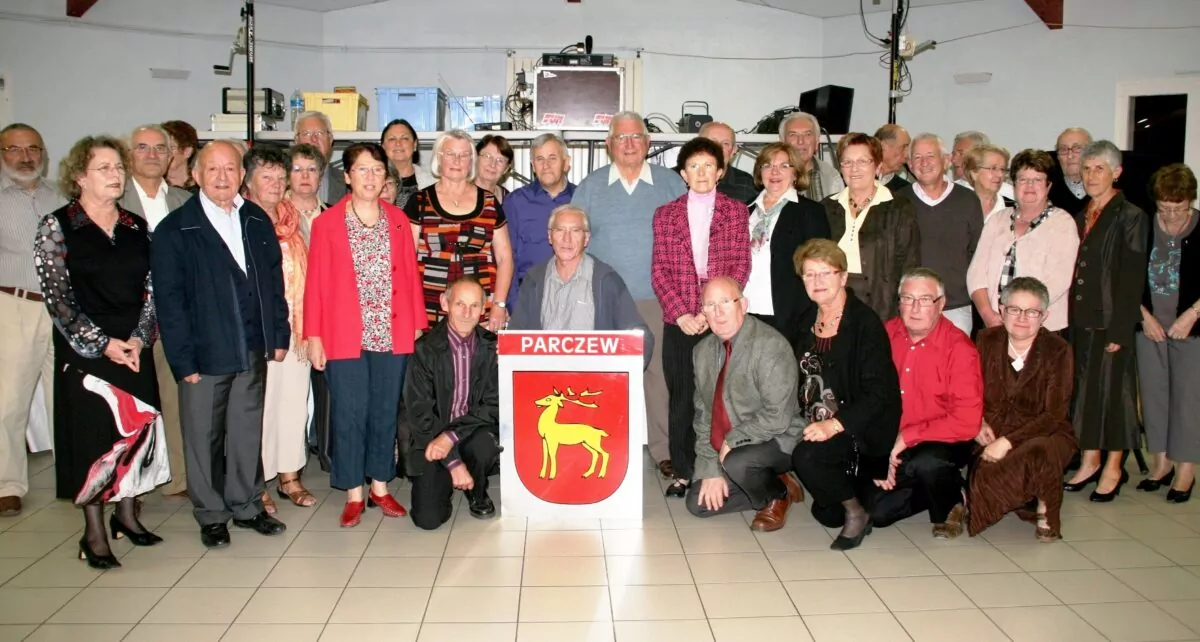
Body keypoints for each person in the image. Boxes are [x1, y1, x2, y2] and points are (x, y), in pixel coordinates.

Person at [34, 135, 167, 568]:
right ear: (79, 177)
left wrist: (139, 337)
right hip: (86, 351)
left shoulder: (135, 227)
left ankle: (127, 515)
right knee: (93, 439)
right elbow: (58, 300)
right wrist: (103, 344)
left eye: (118, 168)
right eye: (104, 168)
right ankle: (93, 532)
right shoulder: (57, 227)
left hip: (133, 344)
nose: (115, 175)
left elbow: (153, 290)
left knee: (135, 432)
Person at [152, 140, 290, 549]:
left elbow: (274, 284)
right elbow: (169, 303)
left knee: (246, 431)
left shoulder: (256, 220)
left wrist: (277, 334)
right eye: (212, 169)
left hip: (251, 346)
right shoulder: (176, 229)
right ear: (196, 175)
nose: (222, 177)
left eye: (230, 168)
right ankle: (211, 515)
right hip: (204, 354)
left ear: (242, 175)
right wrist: (183, 361)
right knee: (203, 436)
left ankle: (247, 505)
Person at [305, 142, 427, 528]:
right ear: (347, 176)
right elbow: (315, 284)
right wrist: (314, 336)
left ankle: (380, 486)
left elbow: (410, 273)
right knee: (349, 413)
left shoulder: (398, 219)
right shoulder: (326, 224)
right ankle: (353, 492)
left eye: (377, 169)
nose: (370, 177)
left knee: (384, 411)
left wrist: (417, 321)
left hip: (391, 330)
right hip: (344, 334)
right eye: (362, 169)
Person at [571, 111, 686, 481]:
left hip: (659, 298)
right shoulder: (591, 187)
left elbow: (688, 240)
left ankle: (664, 451)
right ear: (609, 144)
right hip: (606, 300)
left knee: (659, 377)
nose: (629, 143)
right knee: (603, 379)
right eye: (621, 137)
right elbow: (573, 241)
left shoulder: (670, 184)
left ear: (648, 143)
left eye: (636, 136)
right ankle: (605, 451)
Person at [651, 137, 751, 497]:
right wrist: (681, 314)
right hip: (679, 322)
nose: (702, 172)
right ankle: (683, 470)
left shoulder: (736, 212)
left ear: (720, 171)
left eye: (709, 165)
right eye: (694, 166)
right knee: (681, 397)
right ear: (683, 173)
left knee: (718, 397)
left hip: (721, 320)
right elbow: (659, 271)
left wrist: (716, 310)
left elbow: (741, 265)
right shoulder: (665, 215)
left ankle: (720, 470)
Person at [790, 240, 901, 550]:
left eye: (825, 272)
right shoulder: (804, 321)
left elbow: (879, 394)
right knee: (826, 514)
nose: (817, 281)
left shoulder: (864, 324)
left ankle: (856, 512)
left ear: (842, 277)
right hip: (813, 424)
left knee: (806, 457)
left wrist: (834, 425)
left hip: (857, 429)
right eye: (809, 274)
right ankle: (836, 489)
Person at [1064, 141, 1148, 502]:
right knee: (1085, 393)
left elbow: (1132, 277)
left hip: (1113, 320)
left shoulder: (1131, 216)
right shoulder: (1082, 214)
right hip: (1082, 318)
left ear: (1117, 172)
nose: (1091, 175)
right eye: (1086, 169)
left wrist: (1121, 328)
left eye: (1099, 168)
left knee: (1115, 395)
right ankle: (1090, 459)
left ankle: (1114, 466)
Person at [687, 277, 804, 531]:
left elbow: (777, 417)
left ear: (743, 304)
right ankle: (769, 480)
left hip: (779, 437)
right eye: (710, 305)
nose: (718, 312)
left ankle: (777, 495)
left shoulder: (771, 346)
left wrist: (732, 440)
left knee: (738, 462)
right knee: (698, 504)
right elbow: (704, 415)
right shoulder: (702, 352)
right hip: (734, 448)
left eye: (725, 302)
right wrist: (711, 469)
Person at [876, 268, 982, 538]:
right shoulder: (884, 334)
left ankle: (950, 502)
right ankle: (935, 486)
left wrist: (907, 437)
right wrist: (878, 449)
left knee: (928, 461)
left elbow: (967, 422)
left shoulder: (960, 348)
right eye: (907, 298)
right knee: (877, 513)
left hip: (943, 439)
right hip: (893, 437)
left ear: (941, 304)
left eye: (925, 300)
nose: (914, 308)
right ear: (899, 301)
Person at [968, 278, 1077, 541]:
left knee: (1042, 449)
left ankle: (1046, 509)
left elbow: (1054, 415)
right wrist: (978, 422)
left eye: (1032, 312)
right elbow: (968, 391)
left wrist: (1007, 442)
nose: (1022, 318)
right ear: (1002, 310)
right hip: (992, 430)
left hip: (1046, 432)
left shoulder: (1058, 350)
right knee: (985, 478)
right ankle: (1028, 494)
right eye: (1015, 309)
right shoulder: (985, 340)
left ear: (1044, 316)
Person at [240, 145, 314, 514]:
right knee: (262, 409)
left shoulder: (292, 218)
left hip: (296, 330)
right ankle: (260, 481)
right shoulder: (240, 220)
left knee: (293, 405)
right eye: (266, 176)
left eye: (280, 177)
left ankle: (289, 475)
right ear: (248, 180)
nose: (275, 183)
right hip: (259, 332)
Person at [119, 125, 191, 498]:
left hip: (175, 319)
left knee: (177, 403)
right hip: (125, 320)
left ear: (171, 155)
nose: (151, 155)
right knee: (129, 404)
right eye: (142, 148)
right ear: (129, 154)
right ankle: (128, 486)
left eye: (160, 148)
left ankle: (179, 479)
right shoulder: (114, 199)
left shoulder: (185, 201)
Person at [0, 123, 65, 517]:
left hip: (61, 310)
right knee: (9, 402)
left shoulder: (60, 196)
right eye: (15, 149)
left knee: (65, 399)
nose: (25, 157)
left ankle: (72, 477)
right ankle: (7, 485)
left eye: (33, 149)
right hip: (14, 305)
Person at [405, 278, 500, 528]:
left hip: (472, 432)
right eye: (460, 304)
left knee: (484, 445)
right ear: (445, 303)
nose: (467, 313)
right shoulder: (424, 350)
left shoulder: (493, 348)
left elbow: (493, 405)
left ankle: (477, 491)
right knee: (427, 519)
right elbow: (418, 412)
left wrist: (451, 437)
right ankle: (447, 479)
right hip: (432, 435)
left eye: (474, 305)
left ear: (483, 309)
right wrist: (453, 462)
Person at [509, 204, 654, 367]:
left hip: (593, 378)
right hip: (544, 377)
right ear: (550, 236)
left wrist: (623, 370)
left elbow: (640, 335)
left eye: (575, 231)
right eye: (560, 230)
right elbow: (515, 333)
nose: (567, 239)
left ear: (586, 238)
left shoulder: (606, 280)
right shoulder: (534, 279)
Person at [406, 129, 514, 331]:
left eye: (464, 155)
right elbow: (407, 261)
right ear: (439, 158)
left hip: (479, 307)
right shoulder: (419, 201)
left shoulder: (489, 202)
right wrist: (410, 309)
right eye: (450, 154)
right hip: (430, 306)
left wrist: (499, 305)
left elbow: (505, 258)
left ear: (471, 161)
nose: (457, 161)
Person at [1135, 163, 1199, 503]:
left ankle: (1186, 470)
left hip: (1191, 327)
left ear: (1190, 201)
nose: (1171, 216)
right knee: (1154, 395)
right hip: (1150, 326)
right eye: (1164, 208)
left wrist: (1192, 314)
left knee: (1188, 400)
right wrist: (1144, 315)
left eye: (1179, 208)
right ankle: (1161, 464)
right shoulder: (1143, 226)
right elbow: (1126, 275)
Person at [967, 150, 1079, 335]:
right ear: (1013, 184)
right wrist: (988, 314)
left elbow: (1059, 280)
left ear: (1049, 186)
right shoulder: (998, 220)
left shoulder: (1063, 223)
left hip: (1042, 328)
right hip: (994, 325)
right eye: (1023, 179)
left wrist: (1020, 316)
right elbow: (976, 274)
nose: (1029, 185)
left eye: (1037, 179)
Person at [823, 132, 920, 322]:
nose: (854, 169)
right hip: (833, 303)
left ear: (878, 166)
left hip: (883, 307)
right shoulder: (827, 207)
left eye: (863, 161)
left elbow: (910, 266)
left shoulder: (899, 207)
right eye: (847, 162)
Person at [896, 134, 984, 336]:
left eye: (930, 156)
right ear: (909, 164)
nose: (924, 163)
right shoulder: (898, 201)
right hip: (912, 306)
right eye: (917, 157)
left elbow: (977, 253)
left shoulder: (967, 200)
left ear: (946, 161)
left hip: (957, 305)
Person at [745, 142, 831, 334]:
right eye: (768, 165)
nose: (774, 172)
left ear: (795, 173)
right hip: (745, 310)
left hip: (791, 315)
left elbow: (821, 266)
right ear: (760, 172)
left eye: (784, 166)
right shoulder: (744, 210)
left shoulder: (810, 212)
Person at [504, 133, 576, 307]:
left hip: (574, 298)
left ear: (566, 163)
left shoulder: (582, 199)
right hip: (530, 298)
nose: (546, 165)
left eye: (552, 158)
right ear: (533, 166)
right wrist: (513, 305)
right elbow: (507, 256)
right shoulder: (516, 202)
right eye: (540, 159)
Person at [779, 112, 844, 201]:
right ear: (782, 143)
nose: (800, 141)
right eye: (793, 135)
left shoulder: (832, 177)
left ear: (817, 142)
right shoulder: (770, 176)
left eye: (807, 134)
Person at [380, 118, 435, 209]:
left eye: (405, 138)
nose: (398, 143)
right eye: (392, 139)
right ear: (383, 146)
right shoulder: (372, 182)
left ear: (414, 145)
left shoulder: (432, 183)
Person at [294, 111, 345, 204]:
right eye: (307, 133)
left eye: (320, 133)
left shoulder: (349, 183)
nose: (314, 139)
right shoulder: (280, 182)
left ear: (330, 139)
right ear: (296, 141)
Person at [700, 121, 757, 204]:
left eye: (725, 143)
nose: (718, 148)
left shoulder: (747, 184)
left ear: (733, 150)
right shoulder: (681, 181)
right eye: (712, 142)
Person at [962, 144, 1013, 224]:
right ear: (974, 173)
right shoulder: (957, 207)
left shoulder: (1013, 209)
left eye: (1002, 169)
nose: (1000, 175)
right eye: (993, 168)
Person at [1049, 127, 1092, 215]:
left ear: (1091, 153)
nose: (1070, 156)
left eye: (1077, 148)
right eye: (1063, 150)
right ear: (1058, 157)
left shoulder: (1105, 191)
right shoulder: (1047, 192)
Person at [161, 120, 199, 193]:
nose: (165, 153)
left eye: (171, 148)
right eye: (161, 148)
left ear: (187, 152)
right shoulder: (154, 187)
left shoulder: (203, 189)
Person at [475, 134, 514, 204]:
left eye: (500, 160)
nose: (493, 164)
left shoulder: (509, 200)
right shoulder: (459, 193)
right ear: (475, 158)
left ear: (506, 169)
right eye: (487, 156)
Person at [874, 123, 911, 193]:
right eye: (903, 147)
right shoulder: (856, 179)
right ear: (882, 146)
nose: (907, 155)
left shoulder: (906, 191)